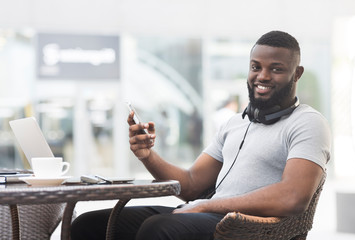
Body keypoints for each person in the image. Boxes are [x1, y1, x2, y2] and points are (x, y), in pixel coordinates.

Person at [71, 30, 331, 240]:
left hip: (247, 227)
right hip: (208, 214)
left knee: (158, 228)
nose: (262, 76)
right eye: (256, 67)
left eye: (276, 69)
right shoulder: (235, 123)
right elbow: (192, 184)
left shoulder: (307, 123)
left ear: (297, 73)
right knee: (88, 224)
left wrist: (206, 205)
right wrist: (147, 156)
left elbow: (293, 198)